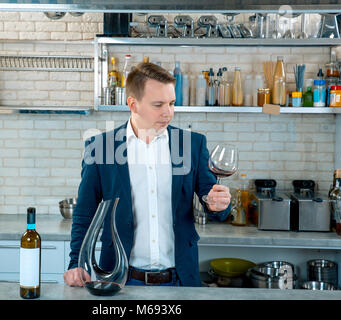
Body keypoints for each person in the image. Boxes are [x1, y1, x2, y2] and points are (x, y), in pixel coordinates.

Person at [64, 62, 231, 287]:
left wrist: (218, 203)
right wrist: (76, 262)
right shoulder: (101, 148)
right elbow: (85, 213)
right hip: (120, 281)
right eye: (158, 104)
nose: (168, 112)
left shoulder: (191, 145)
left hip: (180, 281)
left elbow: (212, 200)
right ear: (133, 104)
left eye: (172, 103)